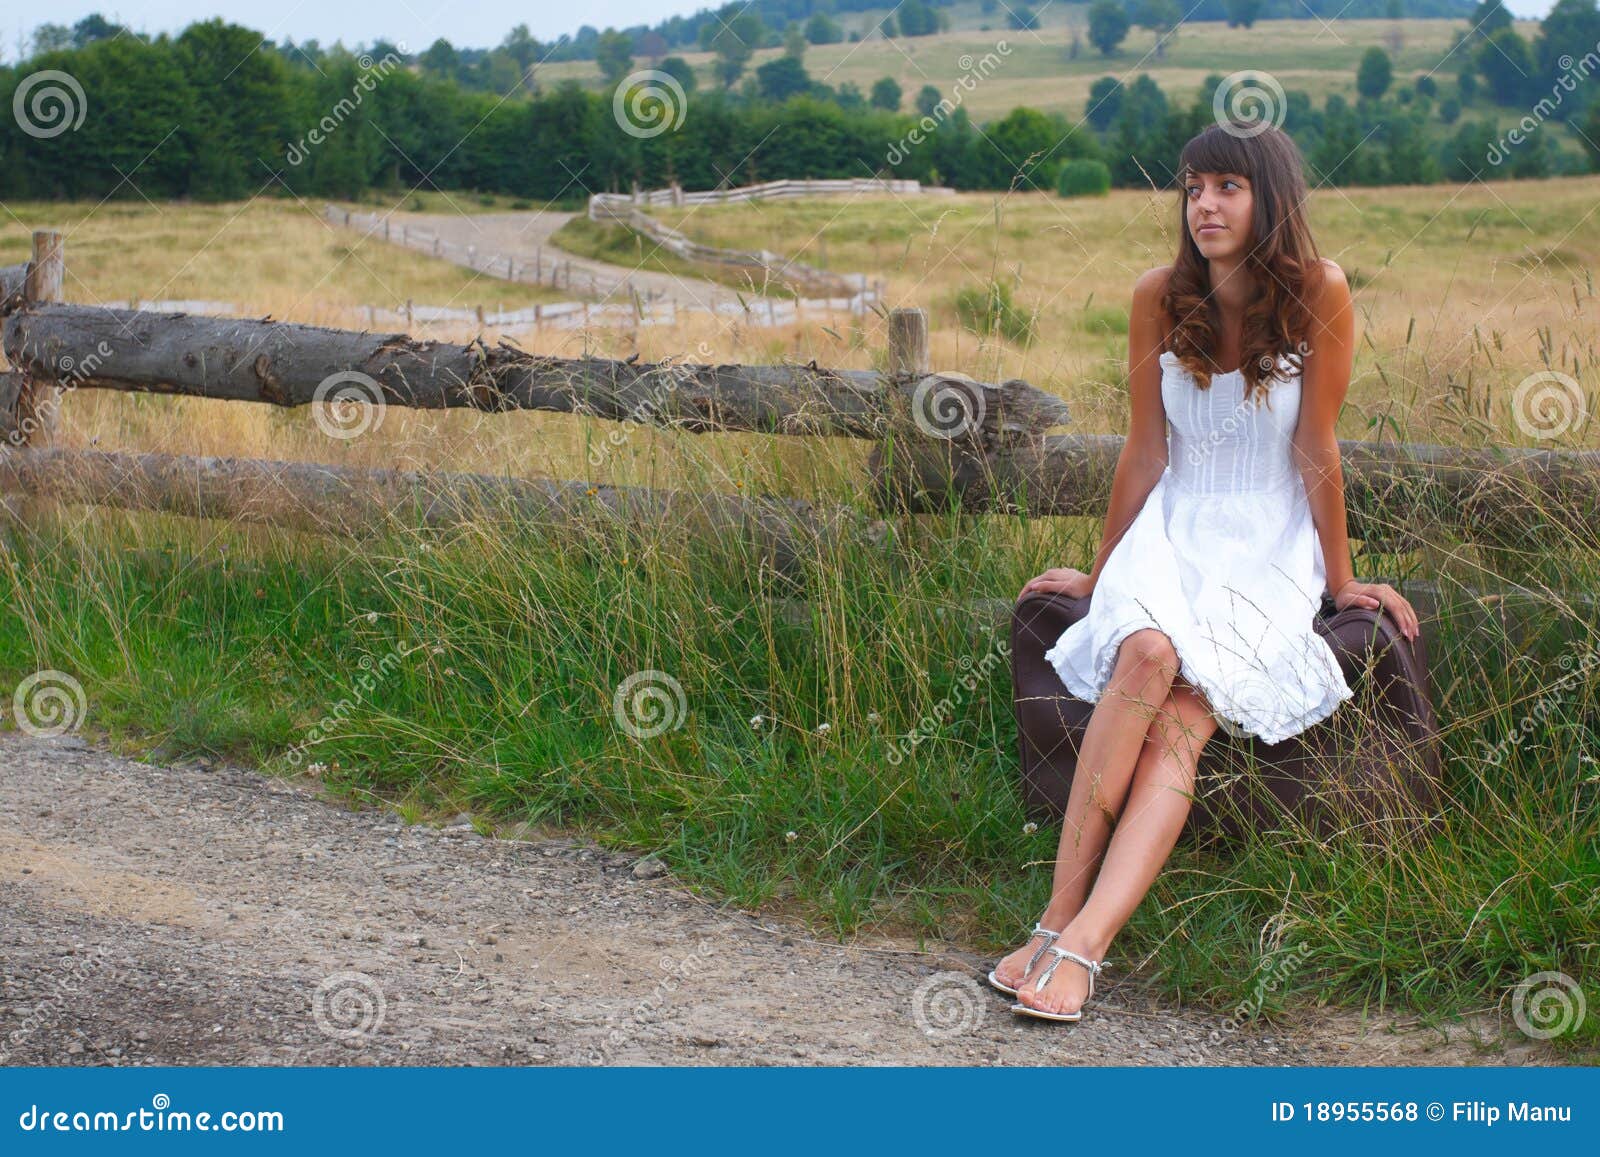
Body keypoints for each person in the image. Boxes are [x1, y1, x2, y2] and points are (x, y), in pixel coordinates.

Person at [993, 119, 1421, 1023]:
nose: (1204, 206)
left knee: (1186, 717)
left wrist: (1342, 584)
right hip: (1172, 529)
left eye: (1227, 186)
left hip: (1264, 550)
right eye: (1193, 188)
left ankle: (1080, 945)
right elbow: (1144, 452)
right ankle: (1056, 916)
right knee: (1144, 653)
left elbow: (1316, 448)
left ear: (1269, 198)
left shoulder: (1320, 292)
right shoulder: (1158, 295)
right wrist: (1104, 574)